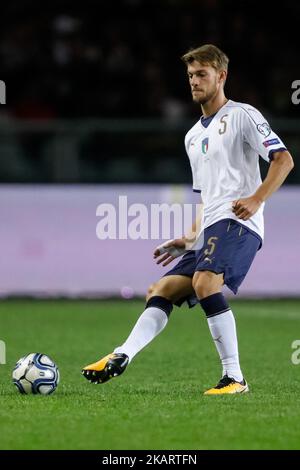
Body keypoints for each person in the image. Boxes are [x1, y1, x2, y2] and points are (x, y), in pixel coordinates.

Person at [82, 44, 294, 394]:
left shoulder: (243, 115)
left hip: (240, 223)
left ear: (221, 76)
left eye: (202, 74)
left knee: (205, 282)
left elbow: (283, 159)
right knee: (161, 289)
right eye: (191, 75)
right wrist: (189, 237)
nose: (195, 81)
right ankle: (121, 355)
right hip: (211, 225)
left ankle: (235, 377)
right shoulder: (192, 137)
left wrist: (257, 199)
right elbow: (206, 196)